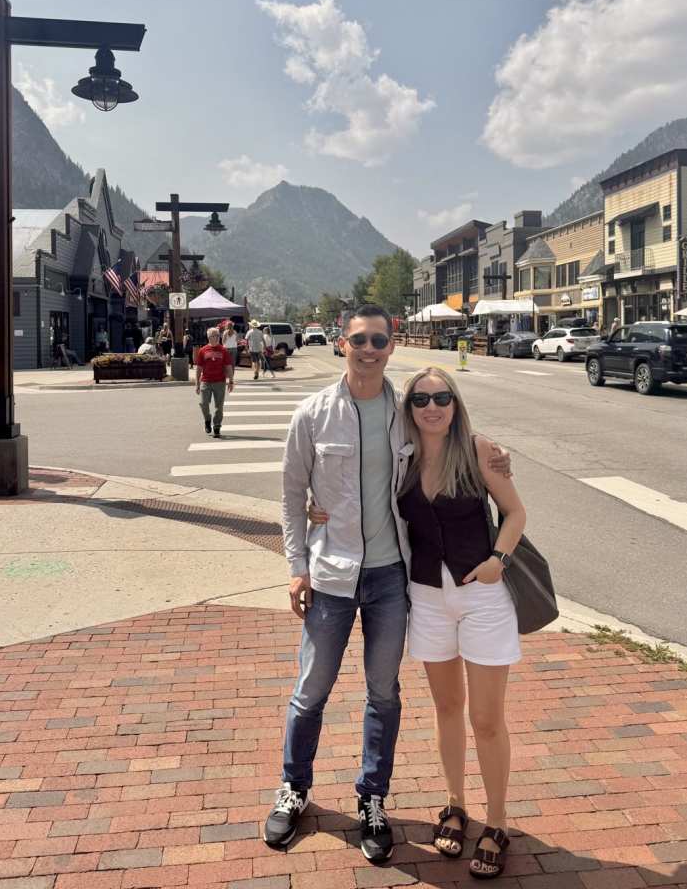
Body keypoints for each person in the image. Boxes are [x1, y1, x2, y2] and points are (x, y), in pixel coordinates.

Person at [263, 304, 511, 863]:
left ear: (392, 346)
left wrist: (494, 451)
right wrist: (295, 565)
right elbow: (288, 496)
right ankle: (294, 789)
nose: (369, 348)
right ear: (341, 344)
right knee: (311, 691)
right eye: (359, 339)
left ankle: (372, 798)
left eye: (379, 339)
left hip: (390, 576)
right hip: (329, 574)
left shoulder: (405, 412)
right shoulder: (312, 413)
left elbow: (449, 435)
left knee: (384, 695)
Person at [396, 367, 525, 879]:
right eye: (422, 399)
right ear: (409, 408)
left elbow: (515, 513)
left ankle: (497, 822)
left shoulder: (478, 451)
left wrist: (499, 559)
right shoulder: (400, 456)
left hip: (482, 596)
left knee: (487, 719)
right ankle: (455, 802)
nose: (432, 407)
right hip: (427, 596)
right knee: (447, 707)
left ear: (455, 403)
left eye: (442, 397)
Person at [195, 326, 234, 437]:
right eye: (213, 336)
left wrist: (231, 381)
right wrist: (197, 384)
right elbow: (199, 368)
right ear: (208, 337)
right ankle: (207, 420)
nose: (216, 338)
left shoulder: (223, 350)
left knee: (219, 407)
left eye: (217, 335)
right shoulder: (203, 350)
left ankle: (217, 426)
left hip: (220, 382)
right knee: (203, 403)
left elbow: (228, 366)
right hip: (206, 381)